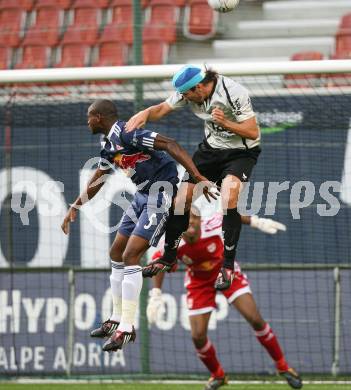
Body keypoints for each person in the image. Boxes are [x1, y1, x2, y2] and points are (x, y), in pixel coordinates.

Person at [61, 99, 216, 351]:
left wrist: (197, 177)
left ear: (99, 117)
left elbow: (170, 144)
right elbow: (100, 176)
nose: (87, 121)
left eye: (89, 116)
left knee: (131, 254)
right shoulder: (108, 143)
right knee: (116, 253)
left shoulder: (128, 132)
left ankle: (127, 326)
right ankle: (115, 318)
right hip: (142, 195)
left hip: (161, 192)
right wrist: (75, 205)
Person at [125, 65, 261, 291]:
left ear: (199, 87)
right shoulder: (188, 92)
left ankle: (227, 266)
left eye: (187, 94)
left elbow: (253, 132)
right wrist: (145, 113)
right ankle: (168, 256)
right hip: (211, 150)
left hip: (241, 152)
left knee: (228, 197)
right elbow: (162, 108)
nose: (184, 98)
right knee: (181, 201)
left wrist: (225, 123)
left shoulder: (233, 92)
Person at [147, 209, 302, 390]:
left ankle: (284, 367)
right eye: (184, 220)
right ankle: (218, 375)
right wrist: (156, 295)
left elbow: (233, 216)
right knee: (197, 336)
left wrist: (257, 222)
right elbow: (157, 262)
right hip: (199, 281)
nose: (190, 222)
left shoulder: (213, 225)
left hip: (225, 272)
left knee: (255, 319)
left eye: (194, 218)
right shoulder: (172, 241)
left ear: (200, 220)